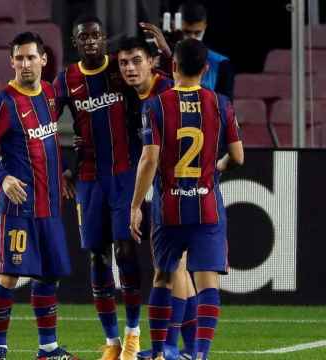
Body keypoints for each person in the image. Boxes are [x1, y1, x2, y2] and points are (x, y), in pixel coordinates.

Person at [129, 38, 244, 360]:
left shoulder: (154, 106)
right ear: (206, 69)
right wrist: (217, 169)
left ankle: (161, 351)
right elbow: (238, 156)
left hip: (169, 207)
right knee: (207, 281)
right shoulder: (221, 103)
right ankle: (201, 355)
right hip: (206, 204)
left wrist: (136, 205)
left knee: (164, 275)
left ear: (174, 67)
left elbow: (149, 160)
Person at [0, 31, 78, 360]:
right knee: (8, 276)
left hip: (48, 205)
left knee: (49, 274)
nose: (25, 64)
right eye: (19, 58)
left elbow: (47, 145)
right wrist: (3, 178)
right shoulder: (3, 102)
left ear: (44, 60)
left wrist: (61, 173)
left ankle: (47, 349)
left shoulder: (49, 94)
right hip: (17, 206)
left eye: (31, 57)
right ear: (11, 62)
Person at [53, 15, 149, 360]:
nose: (92, 42)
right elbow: (43, 126)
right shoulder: (66, 80)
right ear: (75, 43)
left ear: (104, 39)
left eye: (96, 36)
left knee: (125, 249)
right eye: (85, 38)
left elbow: (155, 82)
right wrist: (63, 167)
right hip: (89, 178)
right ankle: (111, 342)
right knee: (96, 254)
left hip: (126, 174)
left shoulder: (120, 70)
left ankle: (134, 334)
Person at [116, 36, 197, 360]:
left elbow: (154, 155)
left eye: (137, 60)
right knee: (177, 271)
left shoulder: (165, 94)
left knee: (171, 269)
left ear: (153, 62)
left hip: (179, 189)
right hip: (176, 189)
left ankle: (170, 350)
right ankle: (190, 350)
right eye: (124, 63)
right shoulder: (142, 96)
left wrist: (135, 205)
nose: (130, 68)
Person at [179, 0, 234, 100]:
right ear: (176, 26)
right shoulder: (163, 60)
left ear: (205, 27)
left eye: (198, 33)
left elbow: (226, 109)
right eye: (186, 32)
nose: (192, 39)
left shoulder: (221, 63)